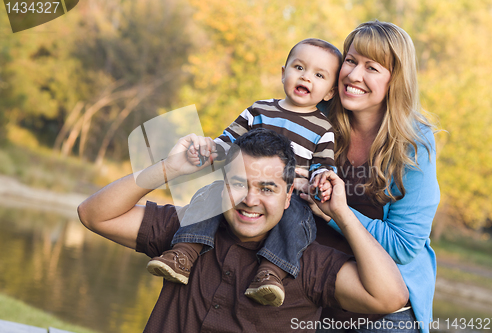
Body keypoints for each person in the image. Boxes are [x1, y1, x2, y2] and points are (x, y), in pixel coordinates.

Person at [77, 128, 408, 333]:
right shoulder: (189, 230)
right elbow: (94, 214)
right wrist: (169, 168)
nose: (250, 200)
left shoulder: (307, 264)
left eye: (267, 188)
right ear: (223, 185)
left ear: (288, 193)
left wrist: (342, 213)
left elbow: (390, 296)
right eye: (238, 184)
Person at [146, 38, 343, 307]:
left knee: (297, 220)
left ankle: (271, 273)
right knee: (210, 194)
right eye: (299, 68)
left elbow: (323, 167)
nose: (306, 77)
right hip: (242, 187)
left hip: (289, 196)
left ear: (330, 92)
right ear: (283, 72)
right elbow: (227, 141)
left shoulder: (323, 129)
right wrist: (206, 150)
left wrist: (320, 182)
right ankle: (183, 253)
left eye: (319, 75)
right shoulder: (259, 110)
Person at [302, 21, 440, 333]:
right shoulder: (315, 116)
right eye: (350, 61)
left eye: (371, 67)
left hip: (382, 306)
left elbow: (404, 246)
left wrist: (333, 213)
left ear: (395, 80)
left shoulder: (413, 145)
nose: (354, 75)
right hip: (315, 282)